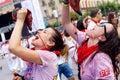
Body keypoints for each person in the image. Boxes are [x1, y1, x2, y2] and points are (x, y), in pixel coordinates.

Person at [62, 1, 120, 80]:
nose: (99, 23)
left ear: (102, 38)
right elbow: (66, 24)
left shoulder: (101, 59)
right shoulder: (85, 39)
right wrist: (66, 3)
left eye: (103, 25)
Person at [9, 8, 66, 80]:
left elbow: (13, 47)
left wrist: (20, 20)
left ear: (50, 43)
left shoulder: (50, 56)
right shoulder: (33, 62)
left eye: (44, 32)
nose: (38, 31)